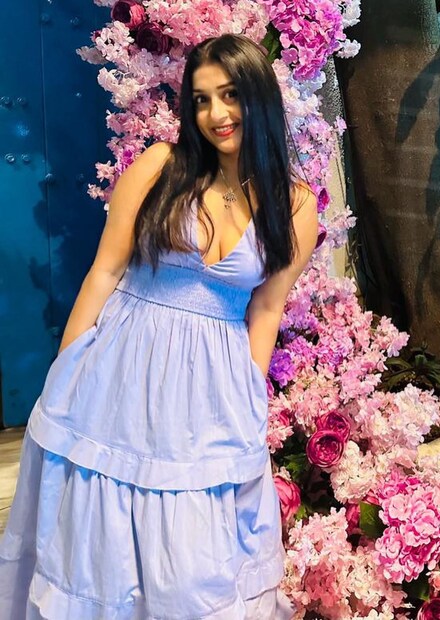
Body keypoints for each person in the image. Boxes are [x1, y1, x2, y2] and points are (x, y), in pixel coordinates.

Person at [0, 34, 318, 619]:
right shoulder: (160, 167)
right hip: (120, 370)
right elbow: (104, 271)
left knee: (194, 558)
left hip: (212, 390)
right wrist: (65, 370)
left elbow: (267, 308)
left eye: (230, 94)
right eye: (201, 100)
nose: (216, 114)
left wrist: (250, 395)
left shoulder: (294, 204)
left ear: (260, 97)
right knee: (100, 542)